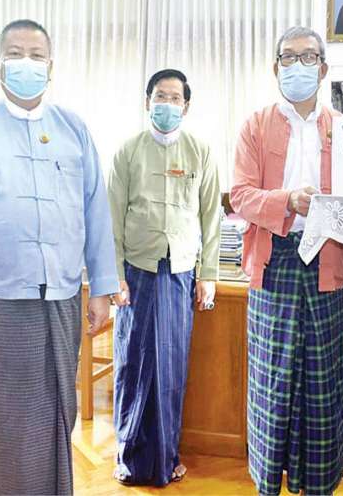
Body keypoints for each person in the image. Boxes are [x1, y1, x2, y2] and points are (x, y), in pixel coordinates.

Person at [0, 19, 118, 495]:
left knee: (57, 410)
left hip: (62, 296)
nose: (25, 63)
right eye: (15, 54)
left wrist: (103, 287)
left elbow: (95, 210)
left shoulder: (73, 128)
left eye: (36, 55)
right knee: (4, 416)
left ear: (50, 67)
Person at [230, 26, 343, 496]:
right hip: (274, 260)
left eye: (308, 57)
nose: (297, 65)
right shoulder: (255, 125)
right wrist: (288, 201)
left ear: (323, 69)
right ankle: (267, 482)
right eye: (288, 57)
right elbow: (240, 195)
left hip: (327, 262)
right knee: (271, 378)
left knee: (323, 381)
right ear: (275, 66)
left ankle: (319, 482)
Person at [108, 69, 221, 486]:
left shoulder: (200, 152)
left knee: (171, 368)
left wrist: (208, 274)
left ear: (186, 106)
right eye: (160, 96)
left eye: (175, 98)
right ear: (147, 102)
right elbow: (111, 217)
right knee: (133, 363)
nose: (167, 104)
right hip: (136, 273)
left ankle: (166, 458)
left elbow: (212, 217)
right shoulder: (128, 151)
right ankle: (128, 457)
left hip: (180, 272)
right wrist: (114, 275)